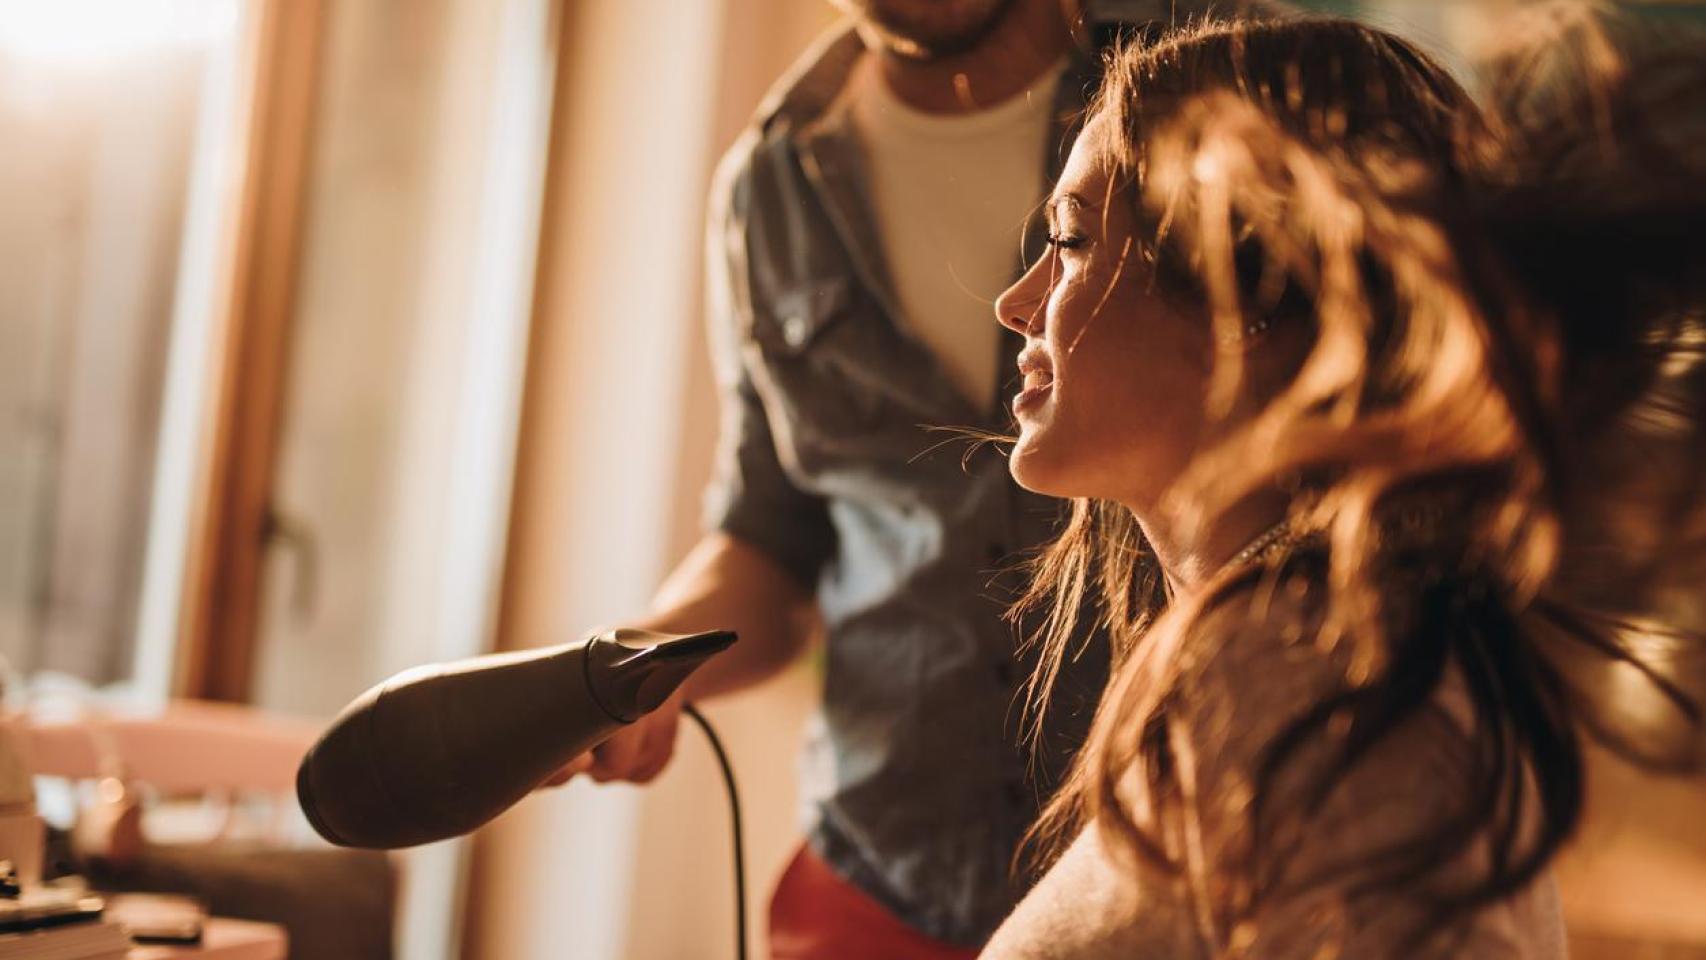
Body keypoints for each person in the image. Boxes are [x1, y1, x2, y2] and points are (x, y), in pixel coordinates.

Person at [976, 10, 1706, 958]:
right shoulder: (1279, 661)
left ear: (1247, 301)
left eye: (1072, 242)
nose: (1015, 302)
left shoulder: (1325, 683)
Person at [547, 1, 1265, 956]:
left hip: (1183, 866)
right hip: (879, 881)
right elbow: (771, 533)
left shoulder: (1210, 84)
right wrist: (641, 659)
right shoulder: (771, 188)